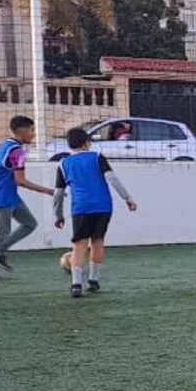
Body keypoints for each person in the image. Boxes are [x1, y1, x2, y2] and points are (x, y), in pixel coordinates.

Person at [52, 127, 138, 298]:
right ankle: (94, 280)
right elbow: (112, 179)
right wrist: (127, 198)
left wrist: (58, 214)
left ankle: (76, 284)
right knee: (97, 241)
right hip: (103, 206)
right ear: (86, 143)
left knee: (79, 244)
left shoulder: (63, 164)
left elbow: (58, 193)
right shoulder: (97, 157)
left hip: (81, 208)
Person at [0, 116, 52, 280]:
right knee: (2, 231)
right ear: (22, 130)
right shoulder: (18, 151)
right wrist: (48, 191)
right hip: (2, 196)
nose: (33, 134)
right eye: (31, 130)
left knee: (29, 223)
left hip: (8, 194)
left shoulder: (4, 146)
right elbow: (19, 180)